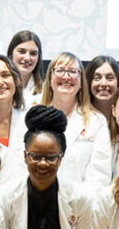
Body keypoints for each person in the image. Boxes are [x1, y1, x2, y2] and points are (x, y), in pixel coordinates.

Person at [38, 52, 113, 188]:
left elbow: (100, 173)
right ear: (49, 79)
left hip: (81, 205)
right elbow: (21, 166)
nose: (66, 76)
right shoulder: (34, 118)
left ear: (81, 83)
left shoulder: (97, 121)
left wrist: (77, 202)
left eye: (73, 71)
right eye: (60, 70)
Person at [7, 30, 45, 100]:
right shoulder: (0, 87)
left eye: (33, 53)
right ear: (10, 54)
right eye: (22, 51)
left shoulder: (47, 91)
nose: (27, 58)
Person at [86, 55, 119, 121]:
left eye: (110, 78)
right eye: (97, 78)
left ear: (118, 81)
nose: (103, 83)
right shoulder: (78, 117)